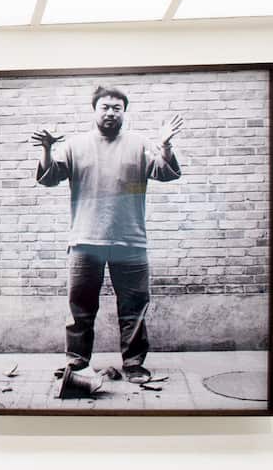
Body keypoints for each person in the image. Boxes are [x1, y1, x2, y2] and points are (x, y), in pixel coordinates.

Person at [31, 85, 184, 385]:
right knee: (80, 309)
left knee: (134, 309)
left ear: (124, 112)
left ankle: (134, 365)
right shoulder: (75, 146)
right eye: (105, 107)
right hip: (85, 241)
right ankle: (76, 363)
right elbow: (48, 178)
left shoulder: (140, 145)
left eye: (117, 108)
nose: (111, 112)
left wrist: (166, 146)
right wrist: (46, 149)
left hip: (130, 241)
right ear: (95, 110)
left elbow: (165, 173)